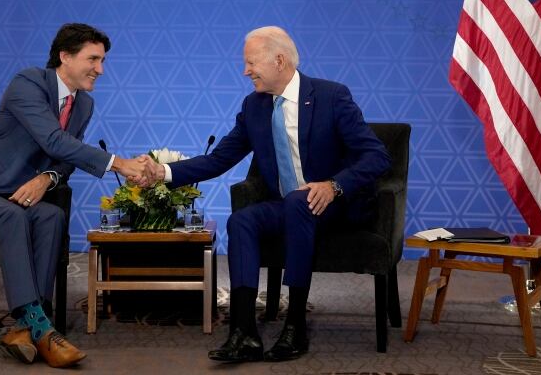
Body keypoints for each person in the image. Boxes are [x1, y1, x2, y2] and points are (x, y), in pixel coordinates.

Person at [141, 26, 390, 363]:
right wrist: (163, 173)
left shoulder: (332, 96)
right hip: (289, 206)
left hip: (336, 206)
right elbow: (220, 159)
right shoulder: (255, 106)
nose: (246, 71)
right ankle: (244, 332)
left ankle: (296, 325)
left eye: (250, 63)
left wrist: (334, 185)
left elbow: (377, 156)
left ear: (278, 60)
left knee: (299, 202)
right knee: (242, 221)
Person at [0, 23, 148, 368]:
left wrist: (46, 178)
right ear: (65, 56)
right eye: (93, 59)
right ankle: (42, 328)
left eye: (103, 60)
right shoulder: (29, 82)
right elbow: (54, 141)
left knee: (51, 215)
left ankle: (25, 328)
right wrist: (119, 164)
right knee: (12, 216)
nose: (100, 69)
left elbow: (64, 160)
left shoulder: (84, 105)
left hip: (14, 194)